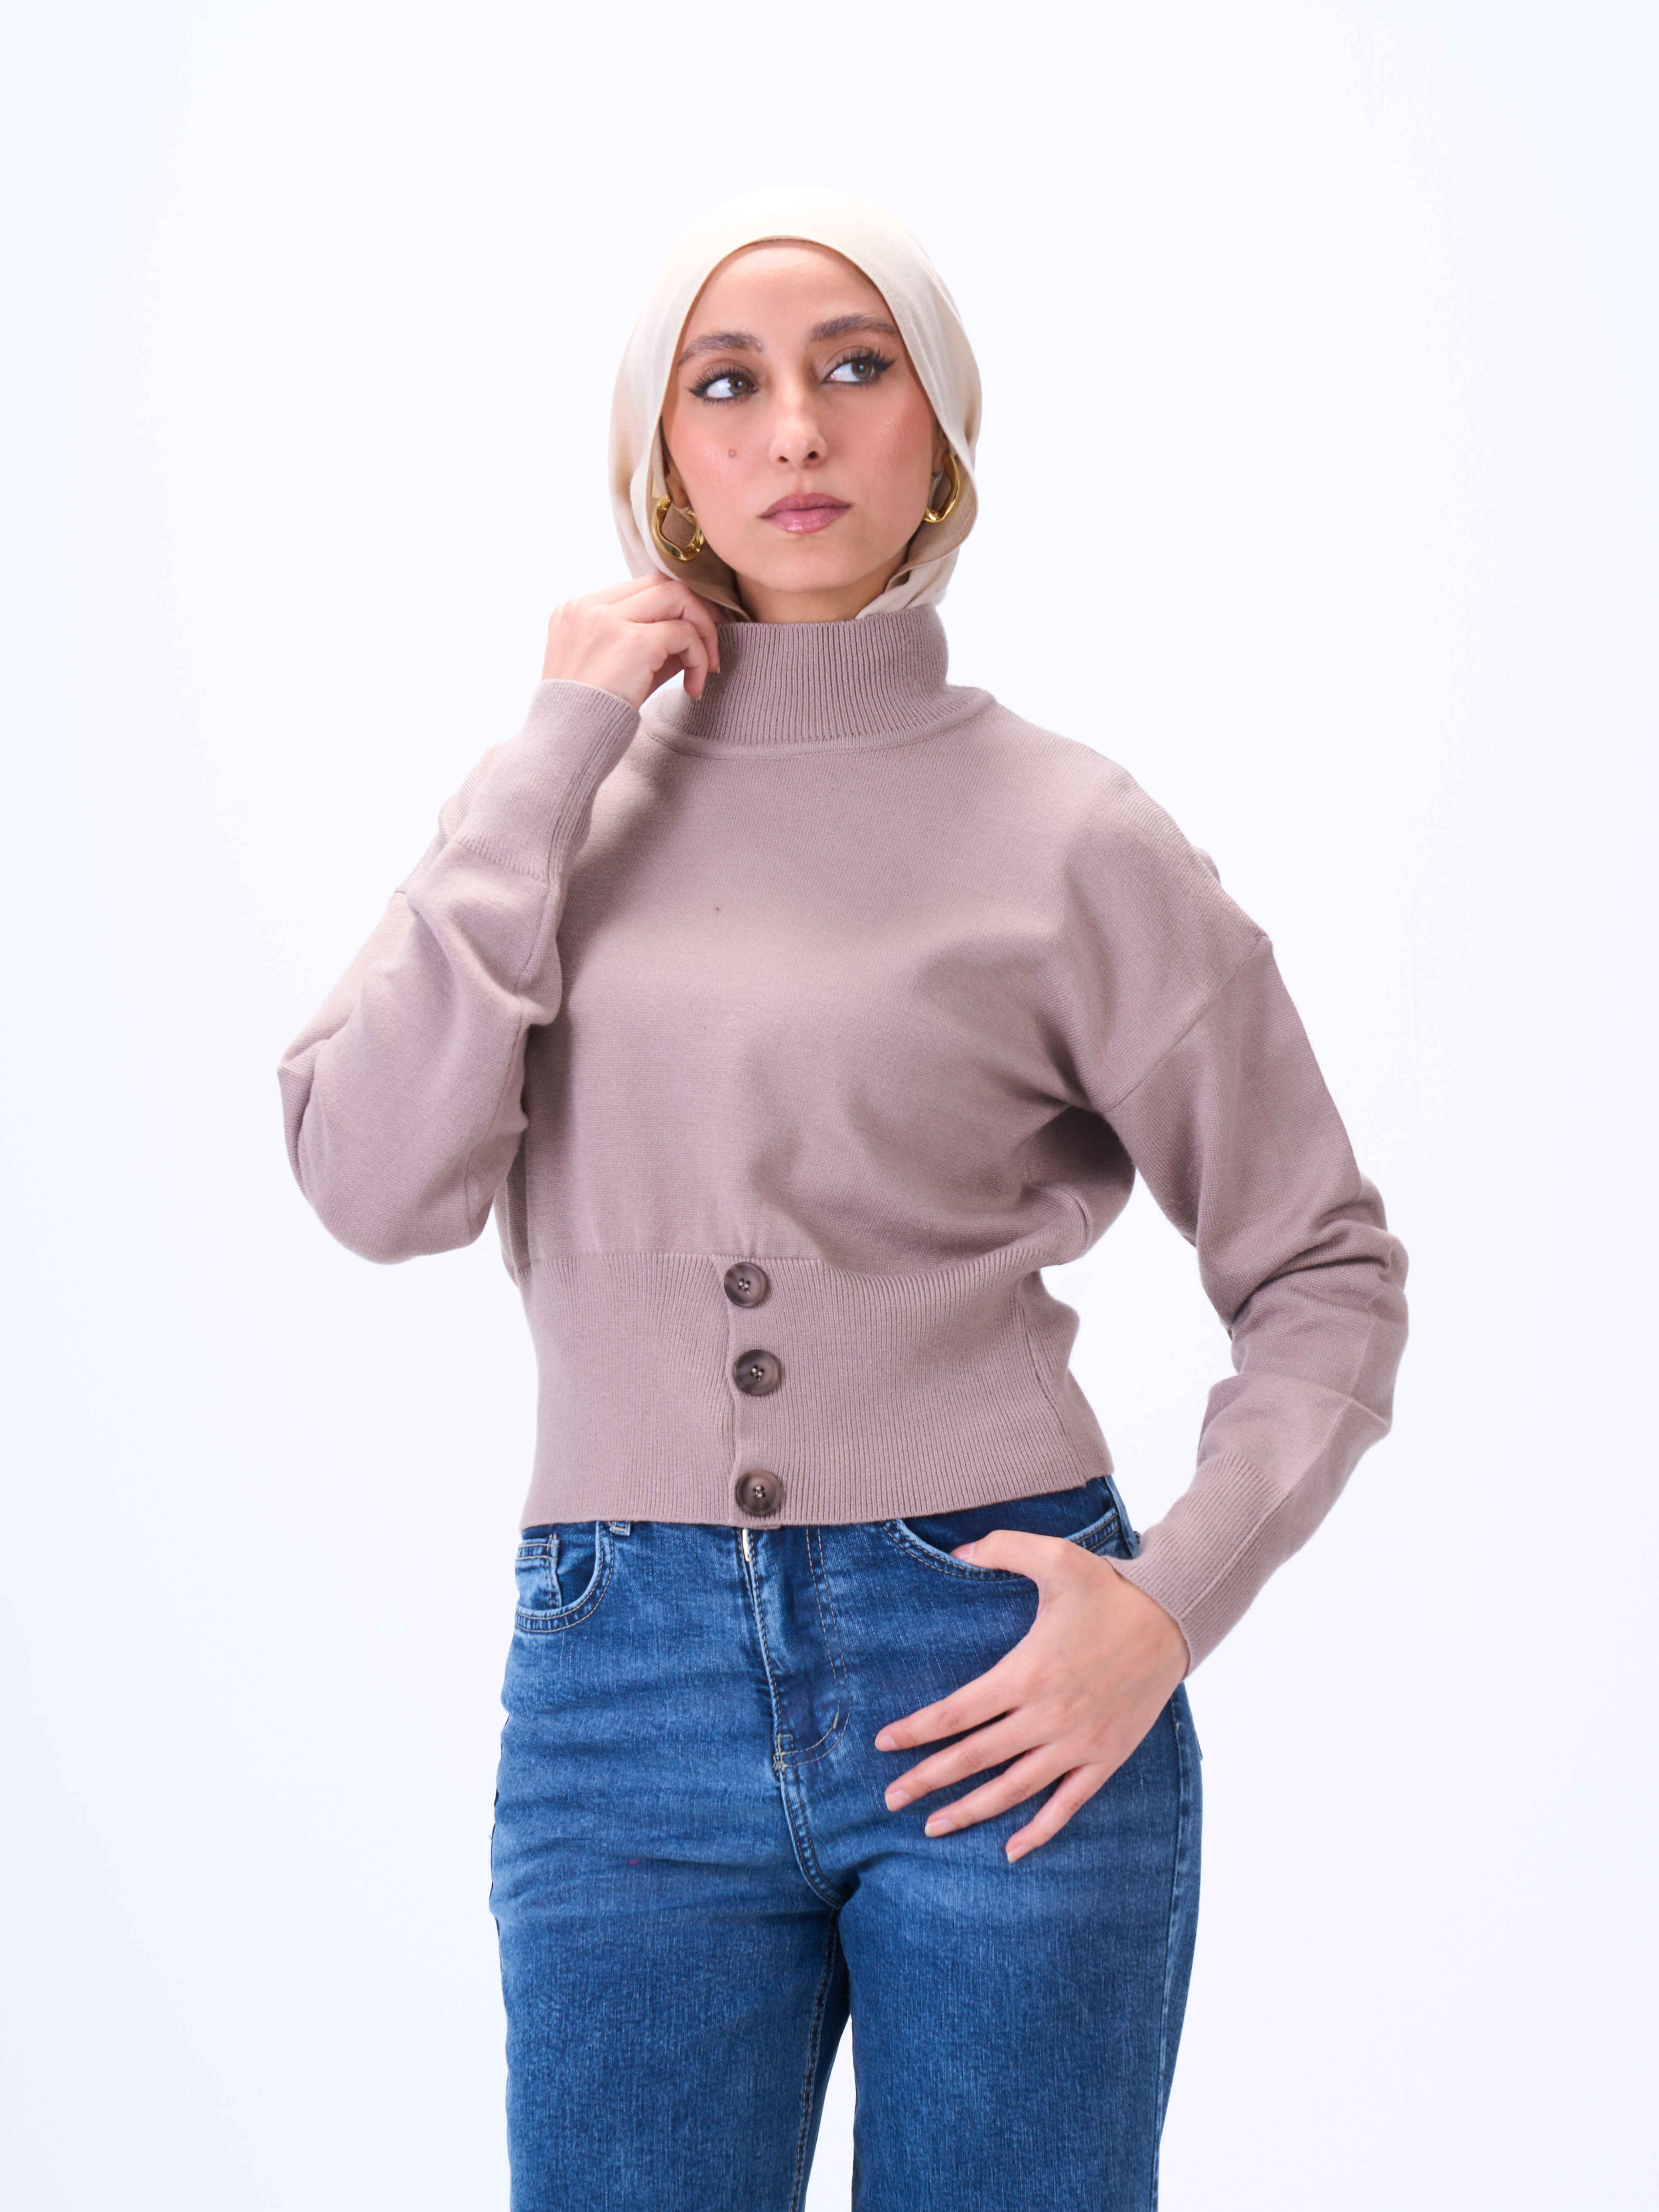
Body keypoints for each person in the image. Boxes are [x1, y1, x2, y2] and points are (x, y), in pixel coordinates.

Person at [277, 185, 1408, 2212]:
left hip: (999, 1666)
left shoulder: (1073, 832)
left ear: (939, 438)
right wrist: (558, 739)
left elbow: (1323, 1268)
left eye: (853, 368)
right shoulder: (546, 813)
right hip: (620, 1699)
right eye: (727, 383)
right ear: (664, 458)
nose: (793, 427)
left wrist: (1166, 1606)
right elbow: (370, 1180)